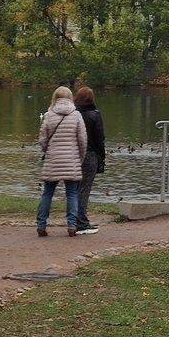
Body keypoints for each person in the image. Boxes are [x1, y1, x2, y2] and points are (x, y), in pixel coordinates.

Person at [37, 85, 89, 237]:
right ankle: (72, 225)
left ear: (55, 98)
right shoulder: (76, 115)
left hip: (53, 159)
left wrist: (48, 151)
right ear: (70, 98)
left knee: (47, 193)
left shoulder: (49, 115)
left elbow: (42, 139)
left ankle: (41, 224)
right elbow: (82, 140)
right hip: (71, 159)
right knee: (72, 194)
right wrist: (80, 157)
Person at [73, 85, 105, 235]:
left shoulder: (72, 114)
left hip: (73, 155)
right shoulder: (94, 115)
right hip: (89, 154)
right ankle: (81, 223)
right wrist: (102, 157)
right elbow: (99, 139)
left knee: (73, 190)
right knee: (84, 190)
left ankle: (73, 220)